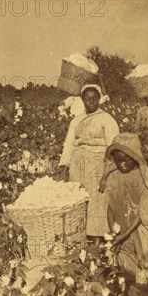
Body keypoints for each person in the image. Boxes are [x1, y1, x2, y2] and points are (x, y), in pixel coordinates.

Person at [101, 132, 148, 296]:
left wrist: (125, 234)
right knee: (125, 273)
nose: (122, 164)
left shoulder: (144, 178)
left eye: (126, 160)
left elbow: (143, 214)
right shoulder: (114, 177)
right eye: (118, 160)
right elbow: (111, 207)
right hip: (122, 233)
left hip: (138, 233)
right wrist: (113, 232)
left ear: (135, 158)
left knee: (145, 274)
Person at [57, 84, 120, 243]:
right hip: (78, 165)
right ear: (82, 100)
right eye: (87, 99)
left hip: (97, 164)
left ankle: (98, 234)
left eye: (94, 98)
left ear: (99, 99)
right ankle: (81, 234)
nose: (91, 101)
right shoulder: (77, 120)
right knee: (79, 198)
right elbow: (69, 143)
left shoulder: (107, 119)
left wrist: (109, 169)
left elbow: (113, 145)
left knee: (97, 199)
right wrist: (64, 164)